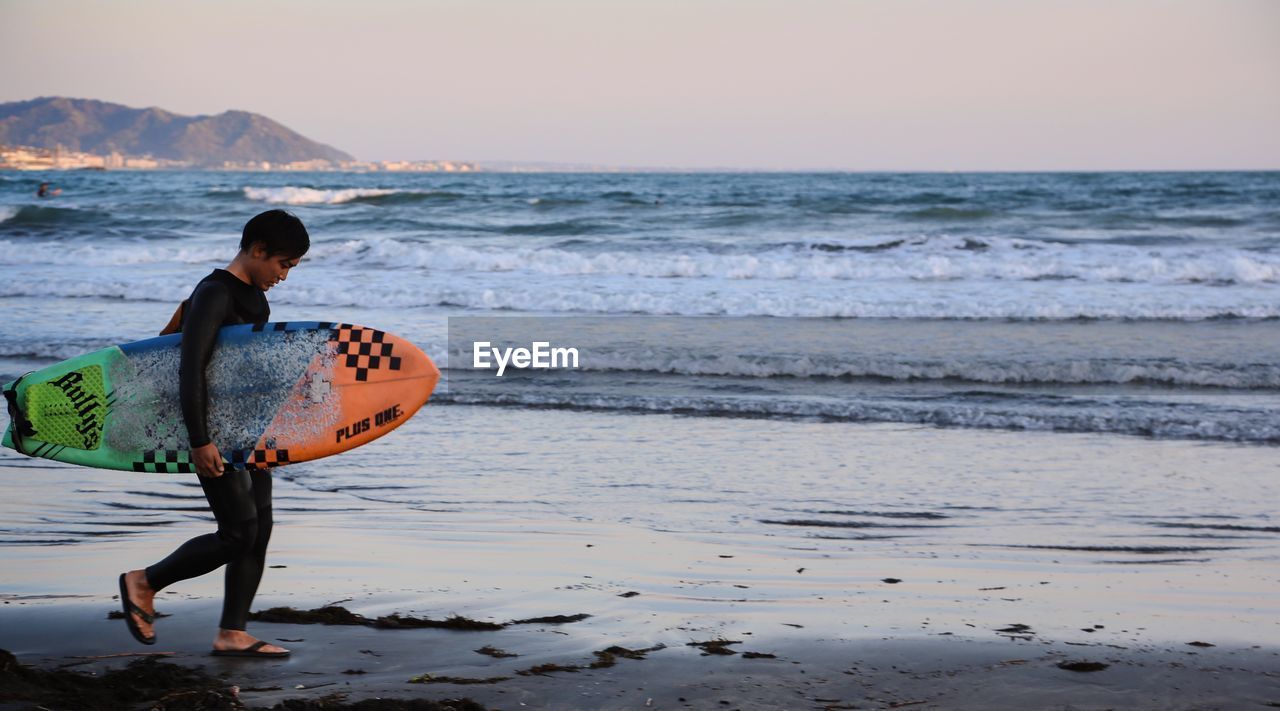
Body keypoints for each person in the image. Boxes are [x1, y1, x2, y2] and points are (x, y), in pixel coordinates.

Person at [118, 209, 309, 658]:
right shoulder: (214, 293)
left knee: (259, 528)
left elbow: (244, 366)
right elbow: (191, 369)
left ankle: (232, 632)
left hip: (246, 431)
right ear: (257, 250)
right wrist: (200, 439)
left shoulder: (254, 298)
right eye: (282, 264)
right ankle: (143, 582)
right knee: (237, 533)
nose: (283, 276)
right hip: (212, 432)